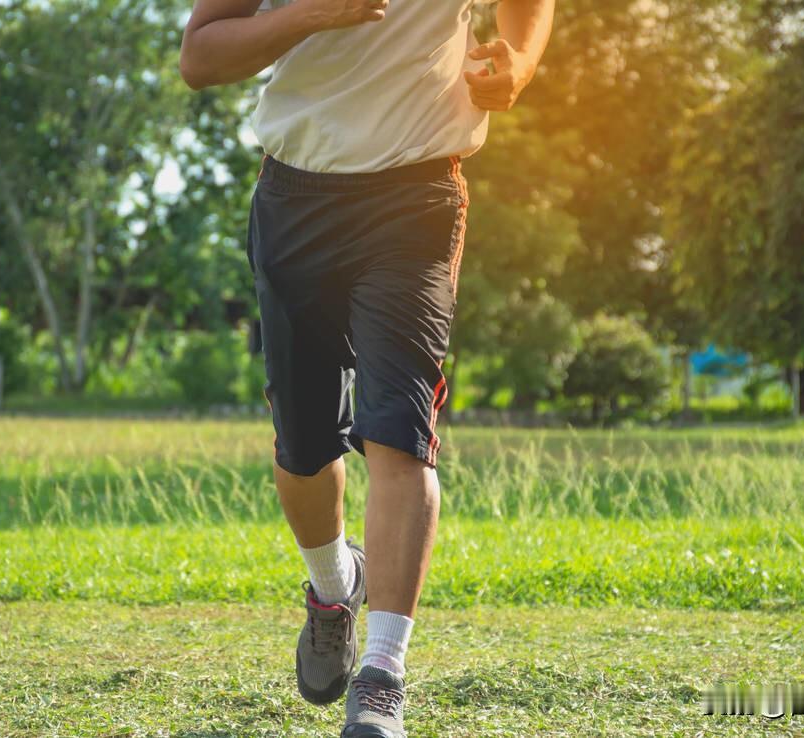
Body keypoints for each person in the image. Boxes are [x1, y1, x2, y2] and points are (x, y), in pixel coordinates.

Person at [180, 1, 553, 735]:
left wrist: (520, 60)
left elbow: (526, 8)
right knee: (304, 444)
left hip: (415, 194)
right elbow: (201, 58)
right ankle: (332, 587)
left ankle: (383, 677)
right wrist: (315, 14)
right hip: (295, 192)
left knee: (398, 427)